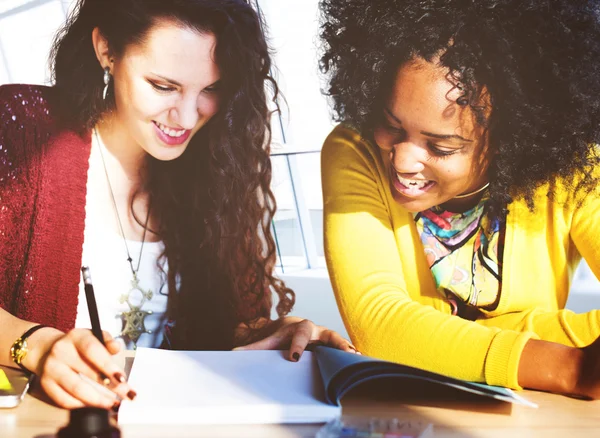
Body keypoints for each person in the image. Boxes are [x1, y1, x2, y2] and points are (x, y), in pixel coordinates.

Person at [0, 0, 354, 410]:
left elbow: (212, 335)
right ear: (106, 51)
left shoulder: (220, 163)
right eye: (163, 86)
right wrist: (37, 345)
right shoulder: (20, 129)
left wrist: (264, 333)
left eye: (211, 89)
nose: (186, 117)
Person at [318, 0, 600, 399]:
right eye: (391, 125)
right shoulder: (355, 150)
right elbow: (380, 326)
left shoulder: (570, 172)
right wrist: (570, 366)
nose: (402, 160)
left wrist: (436, 343)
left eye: (441, 146)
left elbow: (398, 338)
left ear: (511, 140)